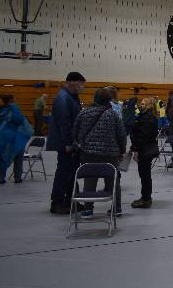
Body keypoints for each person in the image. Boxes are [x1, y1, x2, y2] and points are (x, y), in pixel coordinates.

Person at [73, 88, 127, 218]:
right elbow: (121, 134)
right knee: (113, 181)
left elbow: (75, 132)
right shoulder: (113, 114)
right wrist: (122, 151)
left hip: (88, 153)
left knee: (89, 182)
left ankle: (88, 210)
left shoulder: (83, 113)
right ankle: (116, 208)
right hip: (110, 154)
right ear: (108, 99)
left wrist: (81, 144)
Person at [49, 72, 85, 215]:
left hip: (72, 143)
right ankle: (57, 202)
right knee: (64, 173)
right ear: (72, 82)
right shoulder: (63, 98)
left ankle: (71, 200)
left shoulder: (71, 97)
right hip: (66, 144)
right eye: (81, 84)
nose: (82, 87)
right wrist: (68, 143)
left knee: (71, 172)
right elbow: (64, 123)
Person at [0, 95, 32, 184]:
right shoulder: (14, 109)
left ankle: (0, 178)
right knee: (18, 157)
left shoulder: (0, 111)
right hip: (16, 137)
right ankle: (17, 178)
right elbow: (19, 119)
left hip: (3, 137)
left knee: (2, 157)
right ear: (11, 100)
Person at [130, 97, 159, 208]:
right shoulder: (147, 117)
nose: (140, 105)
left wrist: (136, 149)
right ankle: (146, 197)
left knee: (145, 175)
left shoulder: (147, 118)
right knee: (145, 175)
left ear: (148, 105)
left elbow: (143, 137)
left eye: (142, 103)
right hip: (145, 148)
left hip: (145, 149)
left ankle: (146, 198)